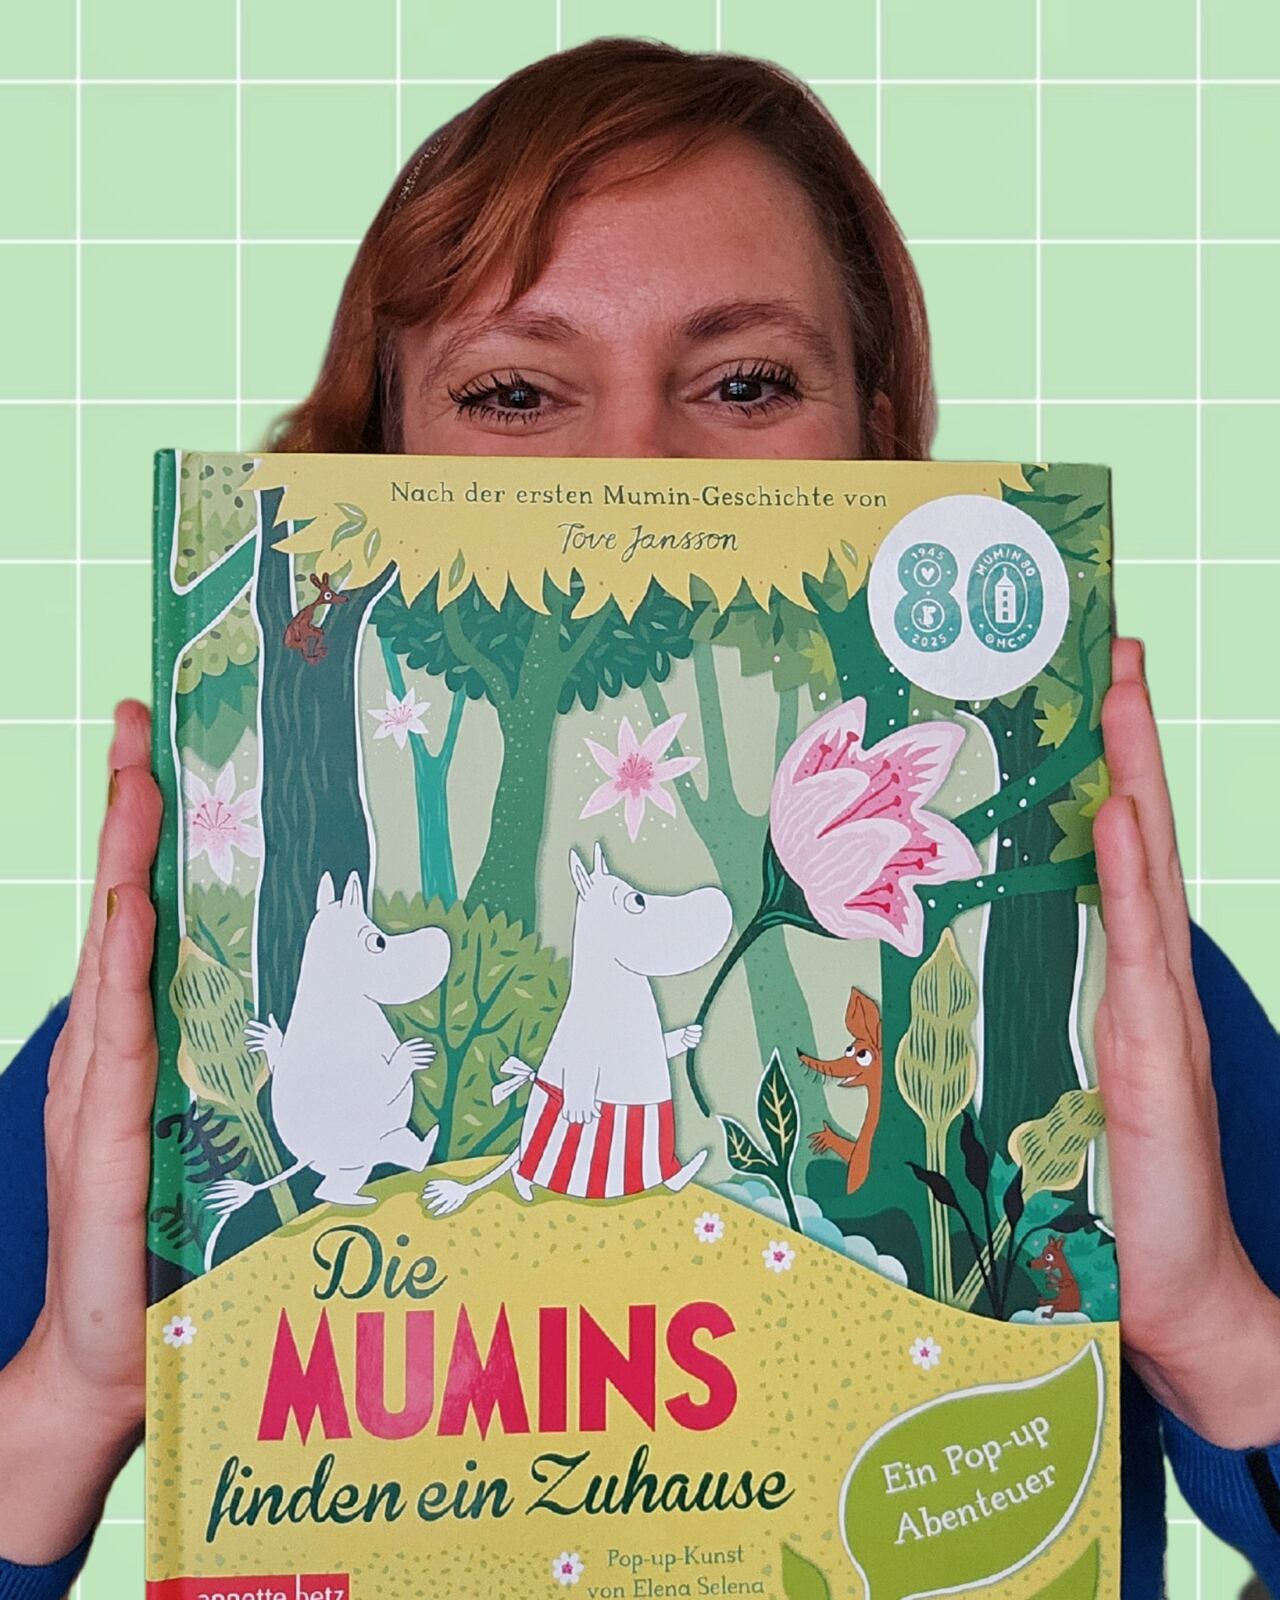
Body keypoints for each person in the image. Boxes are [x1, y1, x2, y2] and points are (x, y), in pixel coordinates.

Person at [2, 35, 1278, 1599]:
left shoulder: (1131, 1011)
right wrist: (71, 1397)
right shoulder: (146, 1043)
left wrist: (1219, 1332)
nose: (632, 471)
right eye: (513, 391)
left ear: (877, 443)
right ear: (377, 464)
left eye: (746, 382)